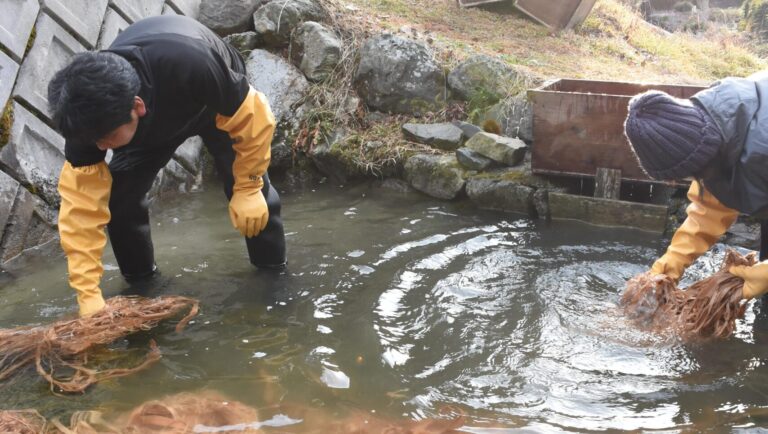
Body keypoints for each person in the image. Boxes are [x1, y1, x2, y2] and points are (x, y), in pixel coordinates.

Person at [48, 15, 286, 317]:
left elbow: (254, 118)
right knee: (119, 201)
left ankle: (273, 281)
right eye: (94, 142)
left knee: (255, 198)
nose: (100, 149)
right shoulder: (87, 125)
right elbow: (81, 210)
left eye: (106, 139)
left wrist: (249, 185)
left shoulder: (192, 62)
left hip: (215, 105)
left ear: (137, 107)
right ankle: (142, 287)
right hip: (145, 129)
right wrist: (87, 293)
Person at [624, 70, 768, 301]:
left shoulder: (762, 141)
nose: (692, 180)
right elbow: (713, 204)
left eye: (691, 173)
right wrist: (674, 261)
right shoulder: (714, 126)